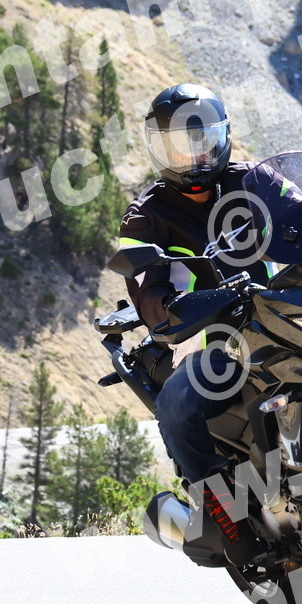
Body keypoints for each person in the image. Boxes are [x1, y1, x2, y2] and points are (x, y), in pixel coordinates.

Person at [110, 84, 261, 563]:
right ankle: (225, 519)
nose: (193, 157)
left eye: (202, 141)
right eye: (178, 146)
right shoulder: (146, 218)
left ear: (223, 137)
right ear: (159, 149)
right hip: (207, 339)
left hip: (280, 316)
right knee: (176, 403)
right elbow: (148, 294)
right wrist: (172, 309)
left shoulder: (255, 182)